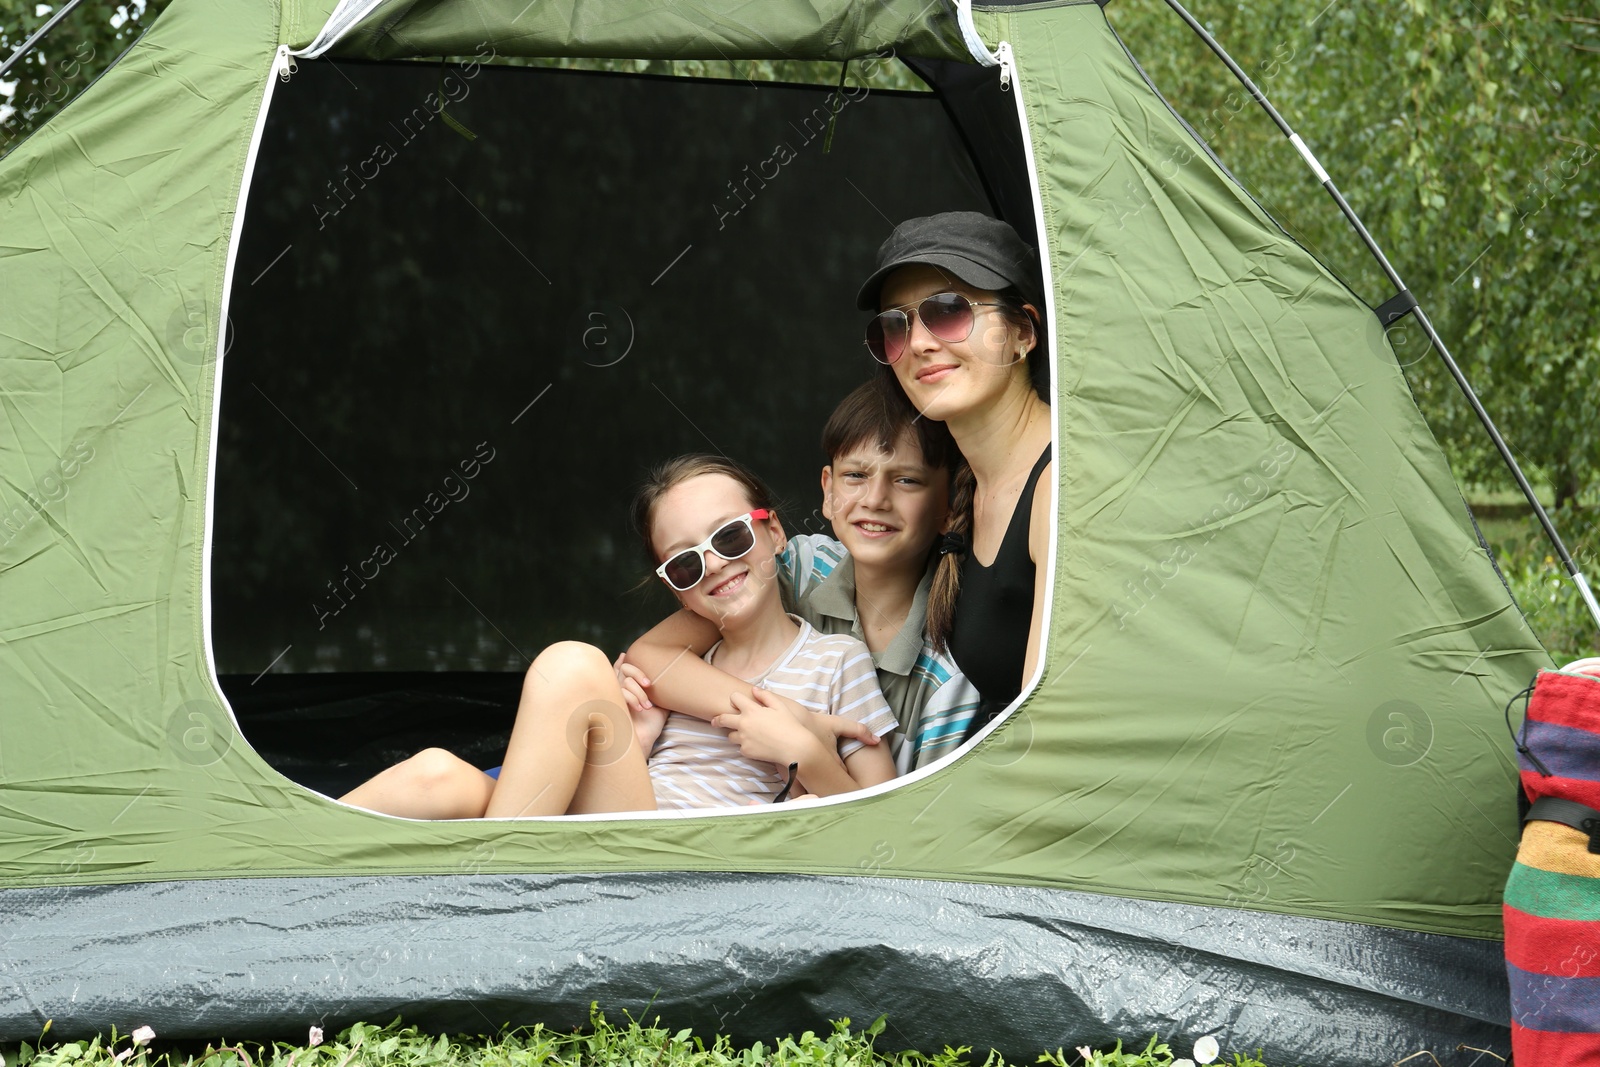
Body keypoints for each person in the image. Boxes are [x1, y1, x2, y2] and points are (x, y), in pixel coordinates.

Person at [338, 455, 899, 818]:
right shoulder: (679, 665)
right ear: (678, 591)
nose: (715, 565)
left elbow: (883, 821)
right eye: (685, 564)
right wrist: (638, 736)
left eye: (729, 537)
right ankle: (268, 855)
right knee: (436, 774)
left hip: (680, 863)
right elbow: (638, 769)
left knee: (573, 667)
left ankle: (497, 896)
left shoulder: (836, 660)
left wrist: (804, 750)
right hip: (624, 820)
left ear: (773, 531)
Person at [622, 378, 982, 772]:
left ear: (949, 506)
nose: (875, 499)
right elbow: (652, 658)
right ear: (827, 491)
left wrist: (803, 746)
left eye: (906, 480)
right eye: (856, 476)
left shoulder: (949, 678)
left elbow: (911, 820)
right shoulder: (797, 566)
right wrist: (793, 719)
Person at [857, 210, 1052, 739]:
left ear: (1022, 333)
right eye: (893, 327)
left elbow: (1051, 729)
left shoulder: (1061, 489)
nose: (918, 343)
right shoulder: (964, 493)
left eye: (947, 312)